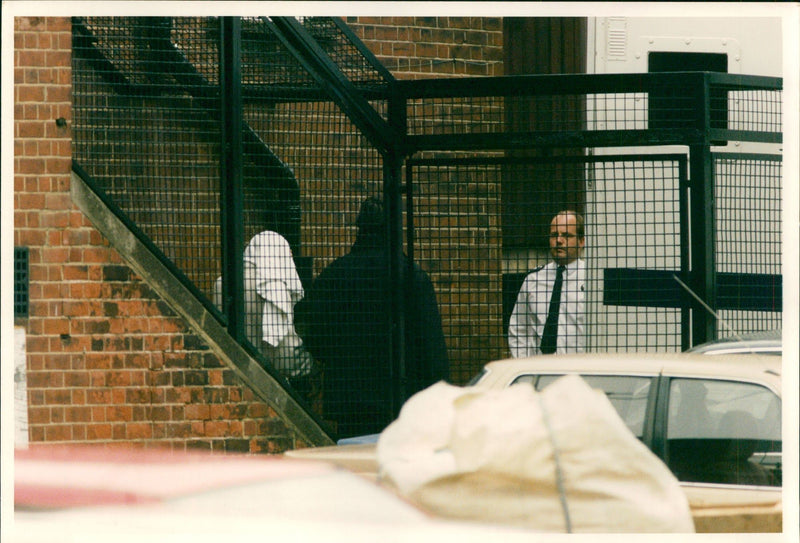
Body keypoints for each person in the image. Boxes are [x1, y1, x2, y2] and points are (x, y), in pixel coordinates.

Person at [298, 197, 449, 437]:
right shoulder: (411, 275)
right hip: (400, 397)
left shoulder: (335, 275)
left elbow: (315, 333)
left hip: (350, 397)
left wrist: (335, 358)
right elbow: (431, 346)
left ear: (360, 228)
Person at [214, 231, 315, 394]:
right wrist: (309, 365)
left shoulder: (223, 284)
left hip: (233, 377)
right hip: (271, 382)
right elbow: (285, 348)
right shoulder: (278, 291)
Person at [508, 210, 586, 357]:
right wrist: (524, 364)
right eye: (554, 235)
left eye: (567, 235)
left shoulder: (592, 279)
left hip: (579, 366)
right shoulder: (533, 280)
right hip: (540, 367)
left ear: (581, 241)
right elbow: (518, 328)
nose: (559, 240)